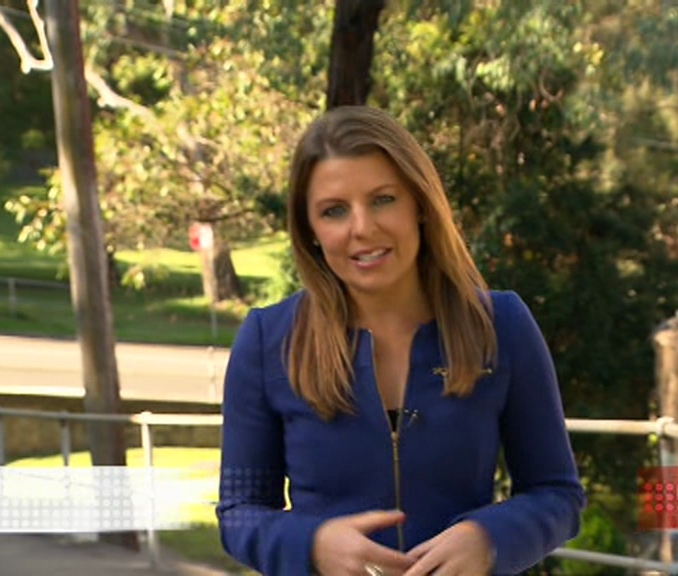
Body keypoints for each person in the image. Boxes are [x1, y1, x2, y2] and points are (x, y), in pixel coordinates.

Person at [217, 106, 584, 576]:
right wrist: (313, 546)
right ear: (310, 230)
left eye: (383, 199)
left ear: (420, 205)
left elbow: (558, 494)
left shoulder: (502, 325)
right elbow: (239, 512)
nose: (362, 228)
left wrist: (489, 540)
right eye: (334, 210)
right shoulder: (267, 340)